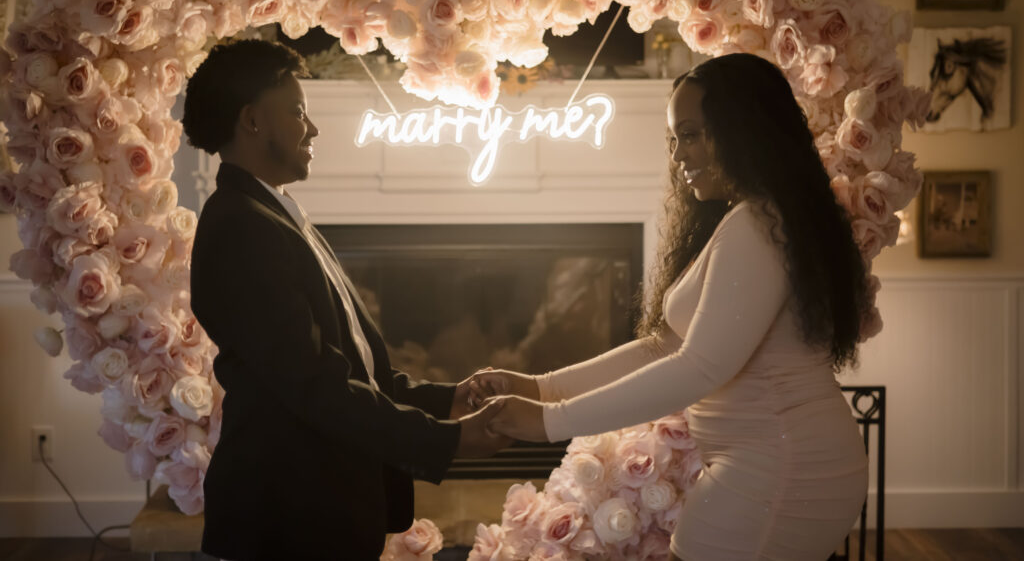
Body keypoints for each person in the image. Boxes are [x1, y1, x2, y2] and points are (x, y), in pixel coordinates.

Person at [477, 53, 872, 561]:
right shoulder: (758, 218)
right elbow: (665, 346)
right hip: (777, 462)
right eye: (674, 139)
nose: (679, 155)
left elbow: (698, 366)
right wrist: (540, 388)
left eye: (692, 134)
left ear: (742, 130)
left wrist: (549, 420)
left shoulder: (758, 225)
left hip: (784, 468)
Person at [182, 39, 506, 561]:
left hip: (318, 509)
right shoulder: (240, 227)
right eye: (297, 111)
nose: (312, 129)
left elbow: (354, 367)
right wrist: (446, 442)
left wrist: (447, 400)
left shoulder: (276, 215)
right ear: (252, 120)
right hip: (287, 518)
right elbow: (314, 384)